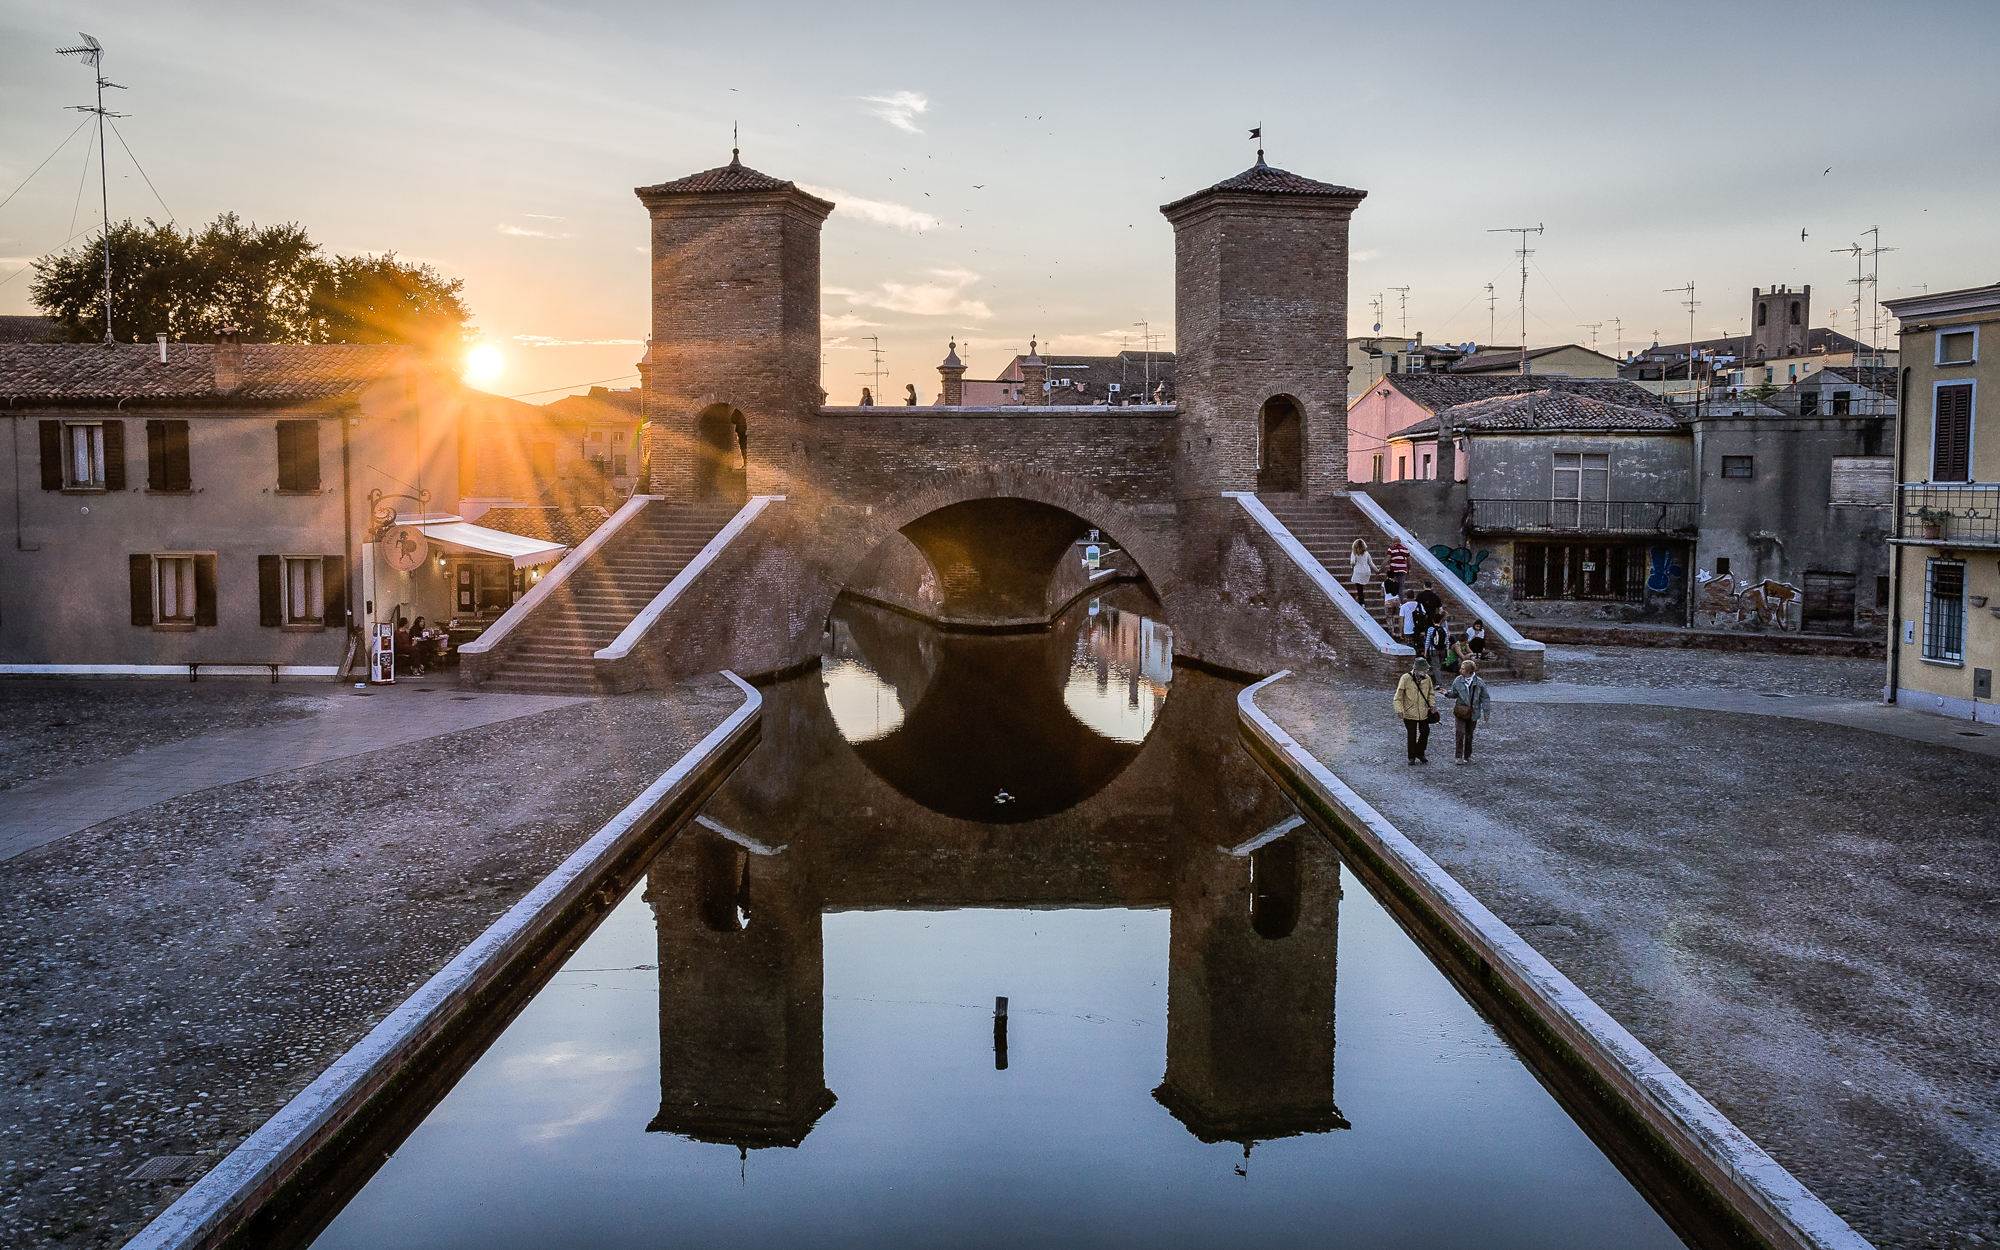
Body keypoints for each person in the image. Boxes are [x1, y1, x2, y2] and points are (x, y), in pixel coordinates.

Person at [1392, 657, 1437, 765]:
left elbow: (1431, 693)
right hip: (1409, 712)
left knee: (1425, 732)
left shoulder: (1427, 679)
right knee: (1411, 735)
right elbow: (1398, 696)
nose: (1427, 671)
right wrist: (1399, 710)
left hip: (1423, 712)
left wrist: (1432, 705)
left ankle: (1420, 752)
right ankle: (1411, 756)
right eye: (1425, 669)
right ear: (1417, 669)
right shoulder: (1405, 678)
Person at [1448, 659, 1493, 763]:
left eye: (1463, 669)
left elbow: (1485, 698)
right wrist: (1447, 693)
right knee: (1460, 733)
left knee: (1469, 735)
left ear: (1469, 671)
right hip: (1461, 711)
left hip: (1473, 712)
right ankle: (1458, 756)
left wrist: (1486, 713)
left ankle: (1467, 755)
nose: (1460, 670)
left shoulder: (1479, 682)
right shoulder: (1458, 680)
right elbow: (1454, 693)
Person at [1423, 610, 1453, 684]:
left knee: (1436, 666)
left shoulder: (1430, 629)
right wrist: (1447, 650)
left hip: (1433, 650)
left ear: (1433, 620)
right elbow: (1447, 641)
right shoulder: (1444, 629)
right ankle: (1437, 679)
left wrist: (1425, 651)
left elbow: (1427, 641)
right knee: (1438, 665)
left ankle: (1438, 682)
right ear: (1441, 620)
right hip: (1442, 650)